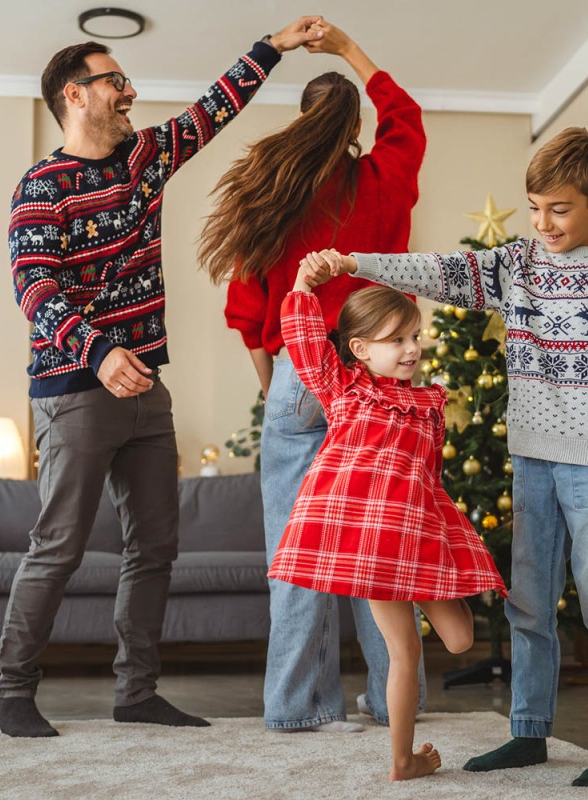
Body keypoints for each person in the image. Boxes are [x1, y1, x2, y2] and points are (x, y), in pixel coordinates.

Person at [301, 126, 588, 787]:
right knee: (528, 604)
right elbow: (439, 271)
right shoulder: (519, 265)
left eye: (558, 209)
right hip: (530, 458)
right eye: (534, 207)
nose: (542, 222)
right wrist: (356, 262)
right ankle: (528, 732)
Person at [0, 17, 325, 739]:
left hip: (148, 389)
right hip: (76, 392)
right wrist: (96, 351)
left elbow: (214, 107)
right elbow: (35, 291)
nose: (131, 91)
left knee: (156, 547)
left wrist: (273, 45)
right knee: (59, 547)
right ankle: (14, 693)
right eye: (116, 81)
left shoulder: (145, 156)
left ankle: (136, 692)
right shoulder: (39, 188)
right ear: (76, 96)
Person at [198, 22, 427, 733]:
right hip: (376, 378)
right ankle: (393, 702)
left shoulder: (273, 192)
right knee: (376, 544)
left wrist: (282, 385)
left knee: (296, 551)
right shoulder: (383, 178)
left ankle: (298, 708)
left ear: (302, 122)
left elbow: (246, 311)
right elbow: (408, 117)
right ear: (356, 125)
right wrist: (351, 49)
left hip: (300, 372)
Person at [269, 276, 507, 780]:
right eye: (396, 339)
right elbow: (305, 336)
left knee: (462, 638)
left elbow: (430, 477)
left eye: (415, 336)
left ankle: (405, 754)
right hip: (368, 545)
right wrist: (304, 284)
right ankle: (403, 761)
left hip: (413, 538)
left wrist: (447, 543)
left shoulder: (428, 405)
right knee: (405, 649)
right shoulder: (343, 387)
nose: (411, 349)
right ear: (359, 349)